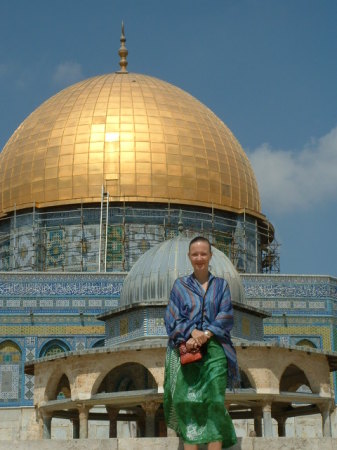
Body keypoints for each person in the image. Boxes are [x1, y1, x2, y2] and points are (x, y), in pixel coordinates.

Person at [163, 236, 239, 450]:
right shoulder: (180, 286)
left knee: (215, 401)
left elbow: (226, 316)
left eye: (203, 254)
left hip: (215, 350)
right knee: (188, 402)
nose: (199, 258)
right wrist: (192, 332)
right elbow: (171, 317)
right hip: (187, 351)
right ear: (189, 257)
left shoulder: (221, 285)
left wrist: (206, 334)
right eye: (195, 254)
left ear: (210, 256)